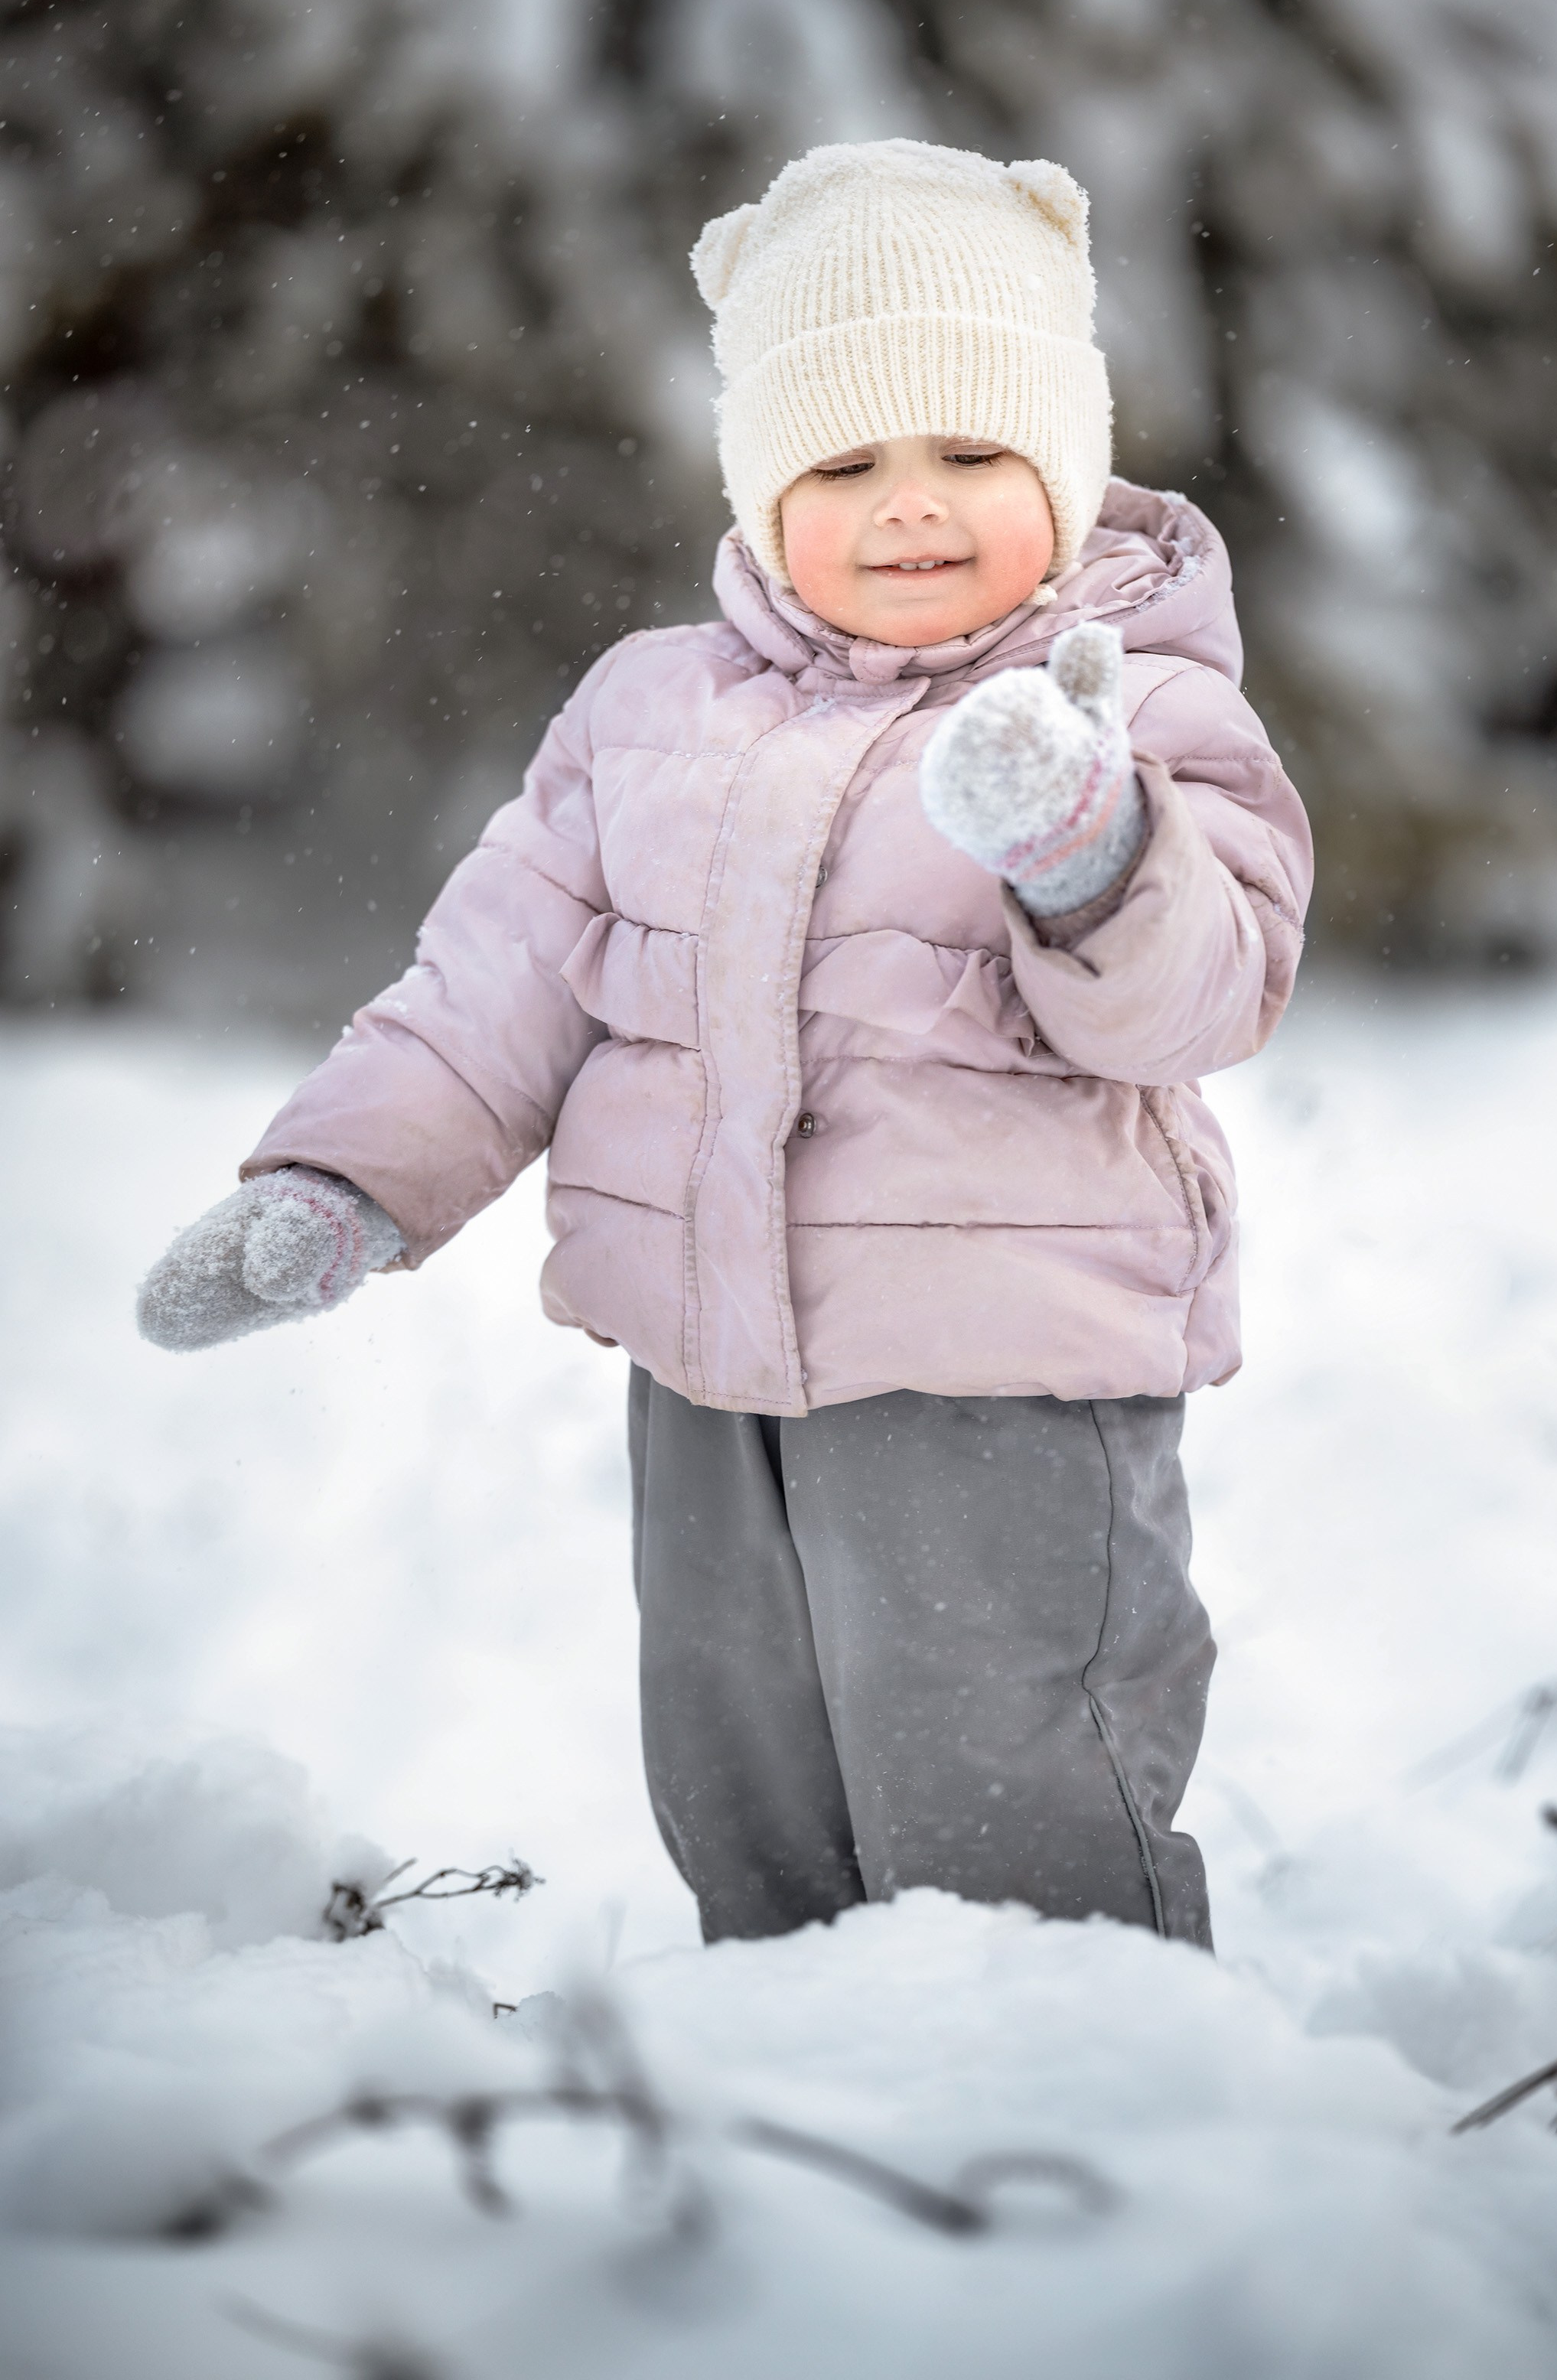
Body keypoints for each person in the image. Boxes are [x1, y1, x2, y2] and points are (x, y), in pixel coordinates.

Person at [138, 139, 1312, 1950]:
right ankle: (787, 2118)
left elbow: (1201, 992)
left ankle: (1077, 2123)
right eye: (843, 462)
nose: (907, 505)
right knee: (744, 1782)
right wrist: (343, 1186)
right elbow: (496, 982)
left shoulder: (1133, 708)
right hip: (703, 1367)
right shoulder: (646, 713)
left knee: (1003, 1787)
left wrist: (1089, 848)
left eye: (970, 455)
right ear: (763, 492)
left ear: (1066, 472)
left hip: (995, 1376)